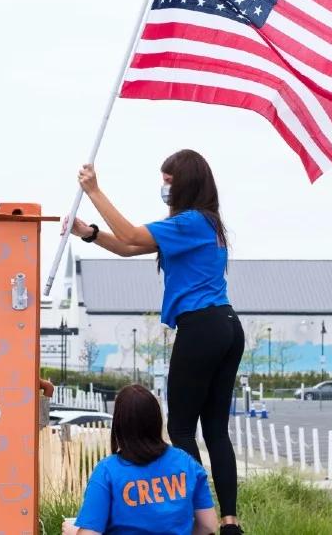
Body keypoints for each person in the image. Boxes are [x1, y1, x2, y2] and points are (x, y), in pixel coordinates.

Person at [71, 149, 245, 534]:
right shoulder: (205, 224)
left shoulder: (190, 222)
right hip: (227, 325)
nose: (164, 188)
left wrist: (94, 191)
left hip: (201, 326)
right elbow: (128, 247)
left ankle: (194, 515)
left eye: (168, 181)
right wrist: (91, 234)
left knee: (182, 429)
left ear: (184, 184)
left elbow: (132, 234)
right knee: (215, 429)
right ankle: (229, 522)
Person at [65, 385, 219, 535]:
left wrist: (73, 532)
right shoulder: (186, 463)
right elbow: (209, 525)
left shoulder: (107, 471)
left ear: (119, 425)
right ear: (157, 420)